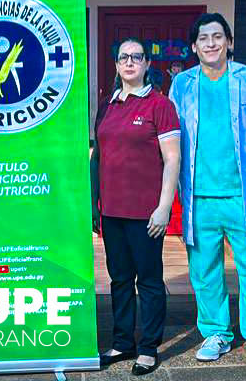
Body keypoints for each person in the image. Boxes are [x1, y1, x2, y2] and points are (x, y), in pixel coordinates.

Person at [169, 13, 246, 375]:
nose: (211, 43)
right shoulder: (182, 85)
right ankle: (216, 333)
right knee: (204, 270)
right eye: (203, 38)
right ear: (194, 46)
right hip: (199, 195)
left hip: (242, 195)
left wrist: (242, 159)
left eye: (218, 36)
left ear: (229, 42)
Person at [92, 37, 180, 376]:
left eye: (137, 57)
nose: (130, 62)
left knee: (150, 281)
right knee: (119, 279)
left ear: (146, 64)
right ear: (116, 65)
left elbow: (172, 159)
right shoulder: (107, 105)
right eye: (124, 57)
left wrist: (163, 207)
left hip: (146, 213)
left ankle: (147, 348)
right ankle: (123, 341)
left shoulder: (159, 105)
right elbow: (99, 157)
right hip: (112, 211)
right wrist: (96, 206)